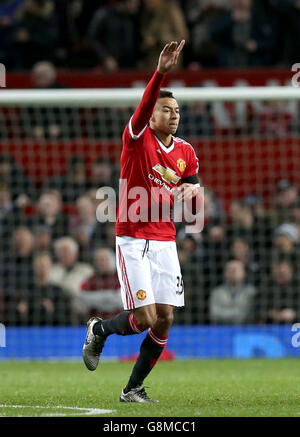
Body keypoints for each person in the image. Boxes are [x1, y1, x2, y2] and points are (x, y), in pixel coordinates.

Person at [82, 40, 202, 402]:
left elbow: (194, 186)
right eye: (166, 109)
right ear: (151, 115)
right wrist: (161, 70)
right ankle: (99, 329)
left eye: (177, 110)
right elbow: (147, 102)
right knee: (146, 318)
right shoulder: (136, 137)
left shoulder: (185, 151)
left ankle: (132, 388)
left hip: (165, 239)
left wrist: (191, 193)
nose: (174, 115)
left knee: (165, 318)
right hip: (134, 238)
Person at [209, 259, 256, 324]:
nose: (231, 273)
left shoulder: (251, 291)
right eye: (229, 270)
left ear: (244, 273)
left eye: (235, 270)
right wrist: (237, 313)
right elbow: (214, 314)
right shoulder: (217, 292)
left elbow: (247, 314)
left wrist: (224, 313)